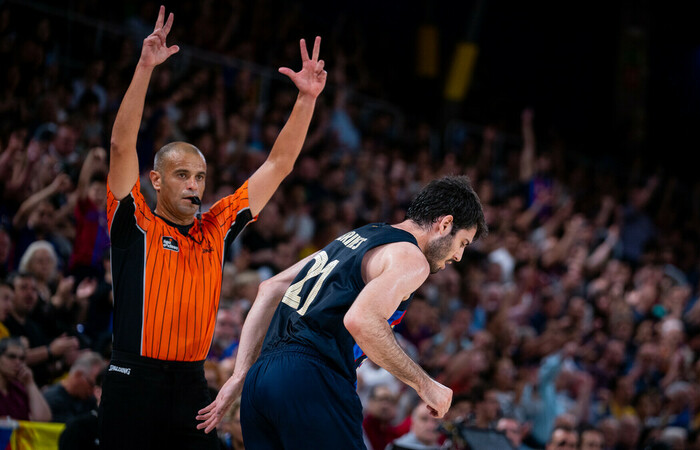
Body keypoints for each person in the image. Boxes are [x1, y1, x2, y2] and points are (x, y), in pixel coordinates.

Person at [99, 5, 327, 450]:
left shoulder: (217, 226)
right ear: (156, 180)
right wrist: (145, 67)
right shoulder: (134, 220)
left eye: (200, 176)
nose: (194, 184)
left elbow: (279, 164)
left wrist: (306, 100)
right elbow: (120, 143)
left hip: (191, 385)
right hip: (132, 379)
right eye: (182, 175)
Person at [198, 175, 487, 449]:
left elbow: (271, 288)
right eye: (462, 243)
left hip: (261, 381)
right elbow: (361, 319)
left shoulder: (359, 237)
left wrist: (239, 375)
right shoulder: (411, 257)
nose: (459, 256)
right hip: (313, 379)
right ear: (445, 224)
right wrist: (425, 385)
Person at [43, 350, 106, 423]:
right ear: (78, 374)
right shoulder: (52, 400)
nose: (93, 391)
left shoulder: (90, 400)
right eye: (91, 384)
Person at [0, 337, 52, 421]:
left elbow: (43, 420)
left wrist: (30, 383)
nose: (18, 362)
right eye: (11, 356)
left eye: (22, 358)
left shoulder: (19, 389)